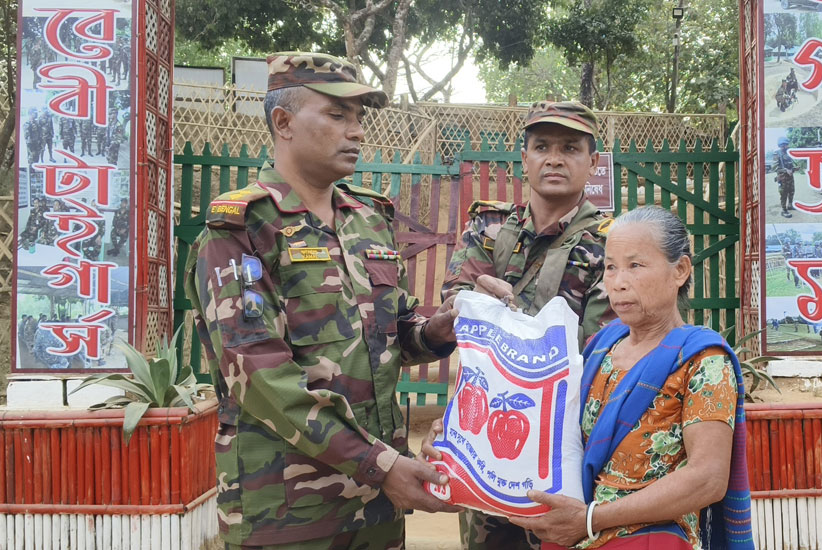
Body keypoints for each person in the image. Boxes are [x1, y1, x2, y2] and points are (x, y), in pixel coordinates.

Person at [185, 51, 460, 549]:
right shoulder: (242, 230)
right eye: (337, 115)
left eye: (358, 118)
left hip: (378, 507)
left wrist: (435, 331)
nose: (356, 132)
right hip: (288, 515)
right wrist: (381, 465)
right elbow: (260, 375)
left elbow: (389, 334)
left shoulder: (368, 220)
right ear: (283, 122)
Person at [424, 206, 752, 550]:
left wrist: (591, 519)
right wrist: (461, 440)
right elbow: (548, 432)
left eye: (635, 266)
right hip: (573, 537)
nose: (618, 282)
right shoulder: (600, 348)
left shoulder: (703, 361)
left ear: (680, 270)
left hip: (650, 541)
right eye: (610, 267)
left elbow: (707, 478)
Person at [439, 100, 615, 550]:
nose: (554, 159)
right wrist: (471, 299)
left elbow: (605, 347)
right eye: (542, 147)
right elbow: (455, 303)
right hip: (487, 441)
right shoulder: (489, 230)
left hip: (569, 448)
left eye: (570, 148)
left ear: (592, 161)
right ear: (524, 158)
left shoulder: (611, 243)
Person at [774, 136, 796, 218]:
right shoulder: (777, 154)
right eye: (786, 145)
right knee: (783, 194)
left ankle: (790, 205)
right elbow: (774, 167)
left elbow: (791, 165)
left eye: (787, 144)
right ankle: (783, 210)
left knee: (791, 191)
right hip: (782, 178)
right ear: (781, 145)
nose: (787, 146)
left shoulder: (789, 153)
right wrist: (785, 170)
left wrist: (794, 168)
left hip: (790, 177)